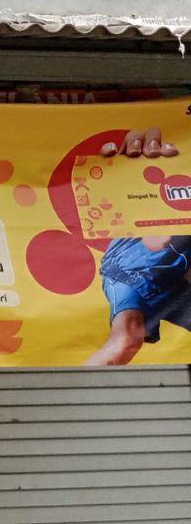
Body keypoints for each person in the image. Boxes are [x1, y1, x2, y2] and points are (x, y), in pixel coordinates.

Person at [86, 125, 188, 366]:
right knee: (127, 338)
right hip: (132, 260)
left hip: (179, 270)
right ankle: (69, 391)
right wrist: (132, 169)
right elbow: (157, 240)